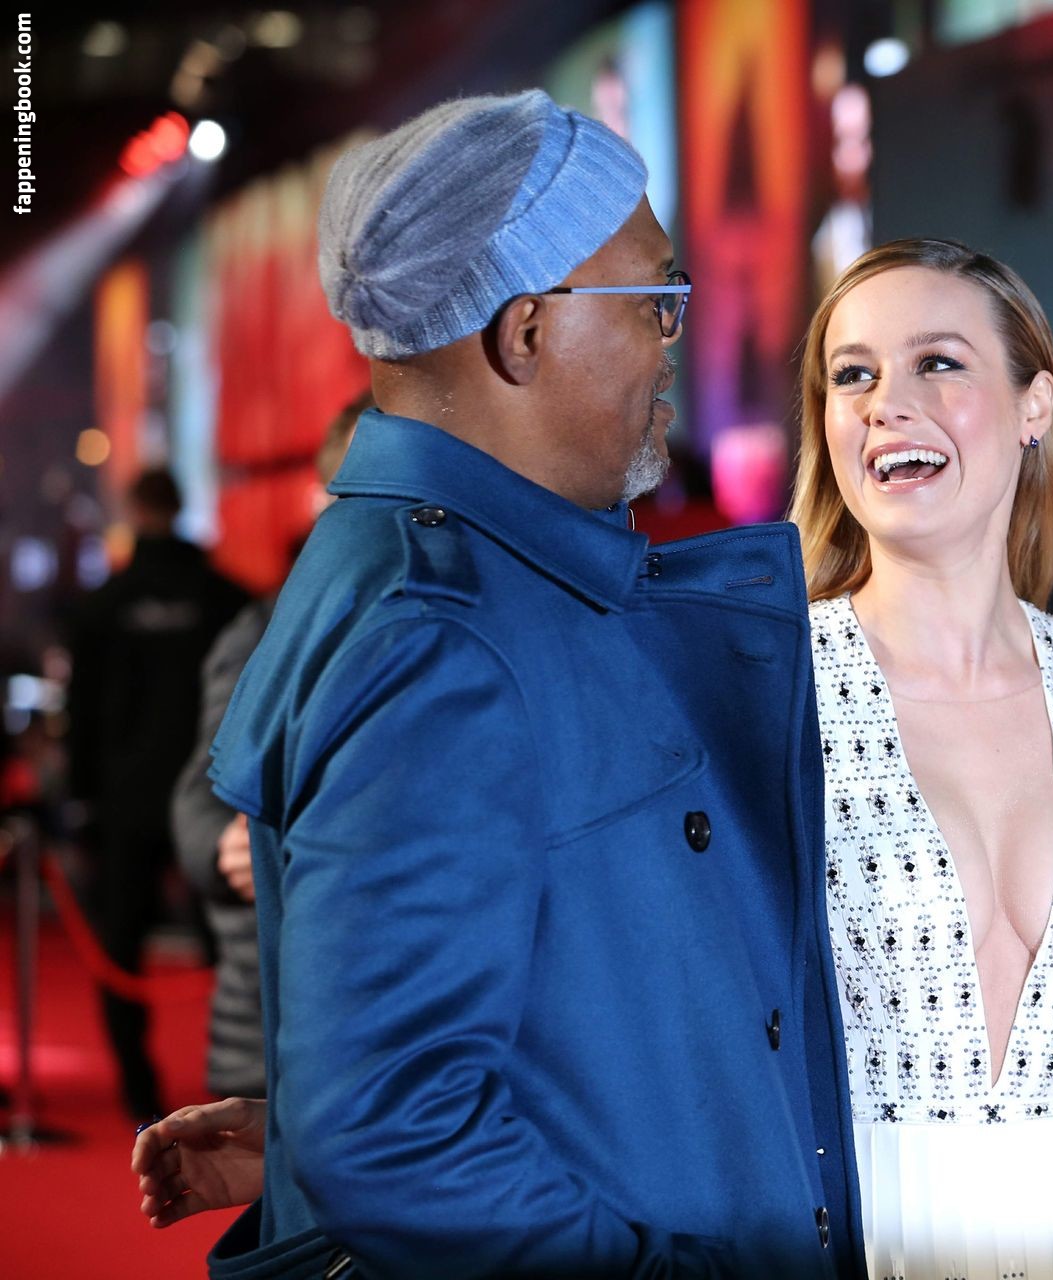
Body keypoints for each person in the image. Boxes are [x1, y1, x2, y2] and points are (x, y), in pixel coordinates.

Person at [140, 90, 862, 1278]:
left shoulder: (473, 579)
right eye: (654, 300)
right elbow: (394, 1134)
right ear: (526, 331)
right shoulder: (441, 637)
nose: (671, 340)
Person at [790, 238, 1053, 1280]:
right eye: (853, 375)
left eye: (936, 362)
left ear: (1035, 405)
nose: (887, 405)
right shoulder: (773, 684)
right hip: (849, 1219)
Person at [169, 394, 365, 1100]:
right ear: (320, 501)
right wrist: (229, 844)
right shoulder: (264, 632)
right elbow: (198, 803)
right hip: (271, 1037)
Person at [67, 467, 249, 1120]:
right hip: (214, 801)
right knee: (231, 950)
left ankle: (138, 1092)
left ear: (133, 509)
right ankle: (237, 1087)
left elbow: (81, 716)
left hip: (125, 806)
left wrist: (82, 804)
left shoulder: (102, 606)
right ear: (180, 506)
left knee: (121, 945)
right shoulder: (227, 599)